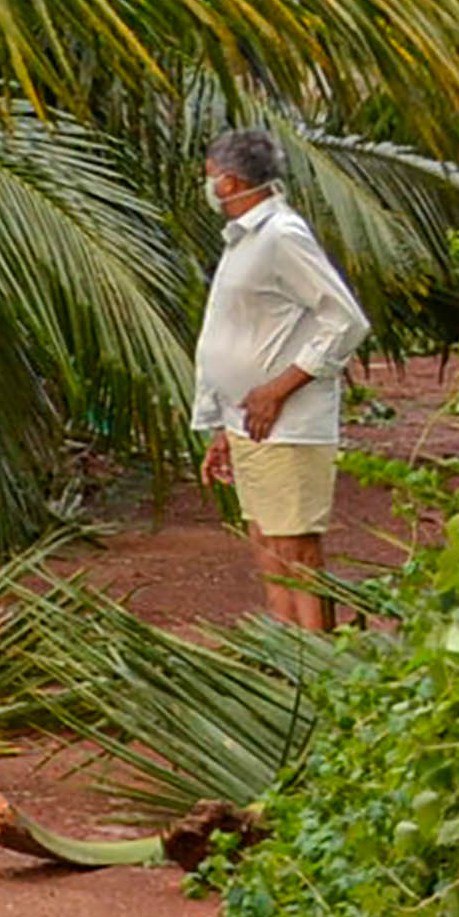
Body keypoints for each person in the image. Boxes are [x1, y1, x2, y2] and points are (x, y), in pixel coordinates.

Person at [193, 129, 368, 630]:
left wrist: (276, 390)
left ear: (228, 182)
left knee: (296, 549)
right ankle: (286, 658)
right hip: (249, 422)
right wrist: (225, 424)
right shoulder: (246, 239)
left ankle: (317, 664)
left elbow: (346, 321)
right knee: (266, 541)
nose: (208, 186)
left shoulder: (281, 236)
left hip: (286, 422)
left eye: (210, 176)